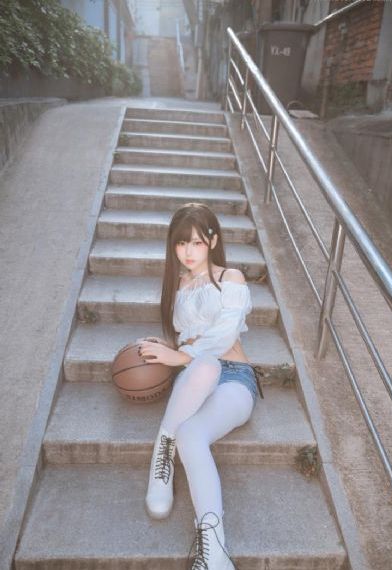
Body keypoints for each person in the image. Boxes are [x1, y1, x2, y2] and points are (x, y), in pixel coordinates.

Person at [137, 203, 263, 570]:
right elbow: (188, 341)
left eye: (196, 242)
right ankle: (164, 449)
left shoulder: (231, 278)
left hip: (234, 378)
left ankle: (213, 552)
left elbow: (223, 335)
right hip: (197, 376)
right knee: (202, 368)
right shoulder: (177, 285)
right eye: (180, 244)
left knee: (191, 431)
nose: (188, 252)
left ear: (213, 241)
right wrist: (167, 350)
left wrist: (179, 356)